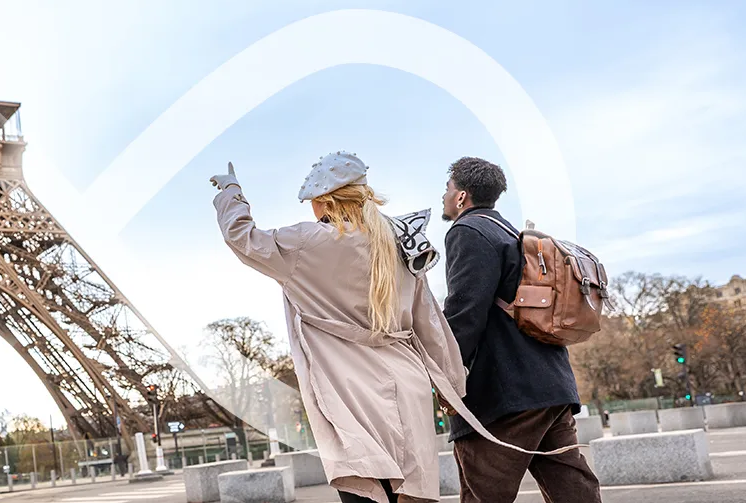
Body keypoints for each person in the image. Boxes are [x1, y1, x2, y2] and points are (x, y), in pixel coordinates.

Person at [210, 153, 468, 503]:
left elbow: (243, 238)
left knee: (367, 493)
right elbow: (431, 323)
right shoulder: (402, 240)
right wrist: (452, 385)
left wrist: (231, 194)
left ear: (322, 202)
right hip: (408, 387)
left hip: (348, 392)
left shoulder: (306, 242)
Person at [439, 156, 602, 502]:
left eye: (447, 188)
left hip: (505, 394)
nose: (444, 195)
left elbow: (465, 313)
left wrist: (446, 377)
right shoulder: (513, 233)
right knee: (572, 488)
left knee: (483, 491)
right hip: (551, 384)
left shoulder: (467, 231)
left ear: (461, 196)